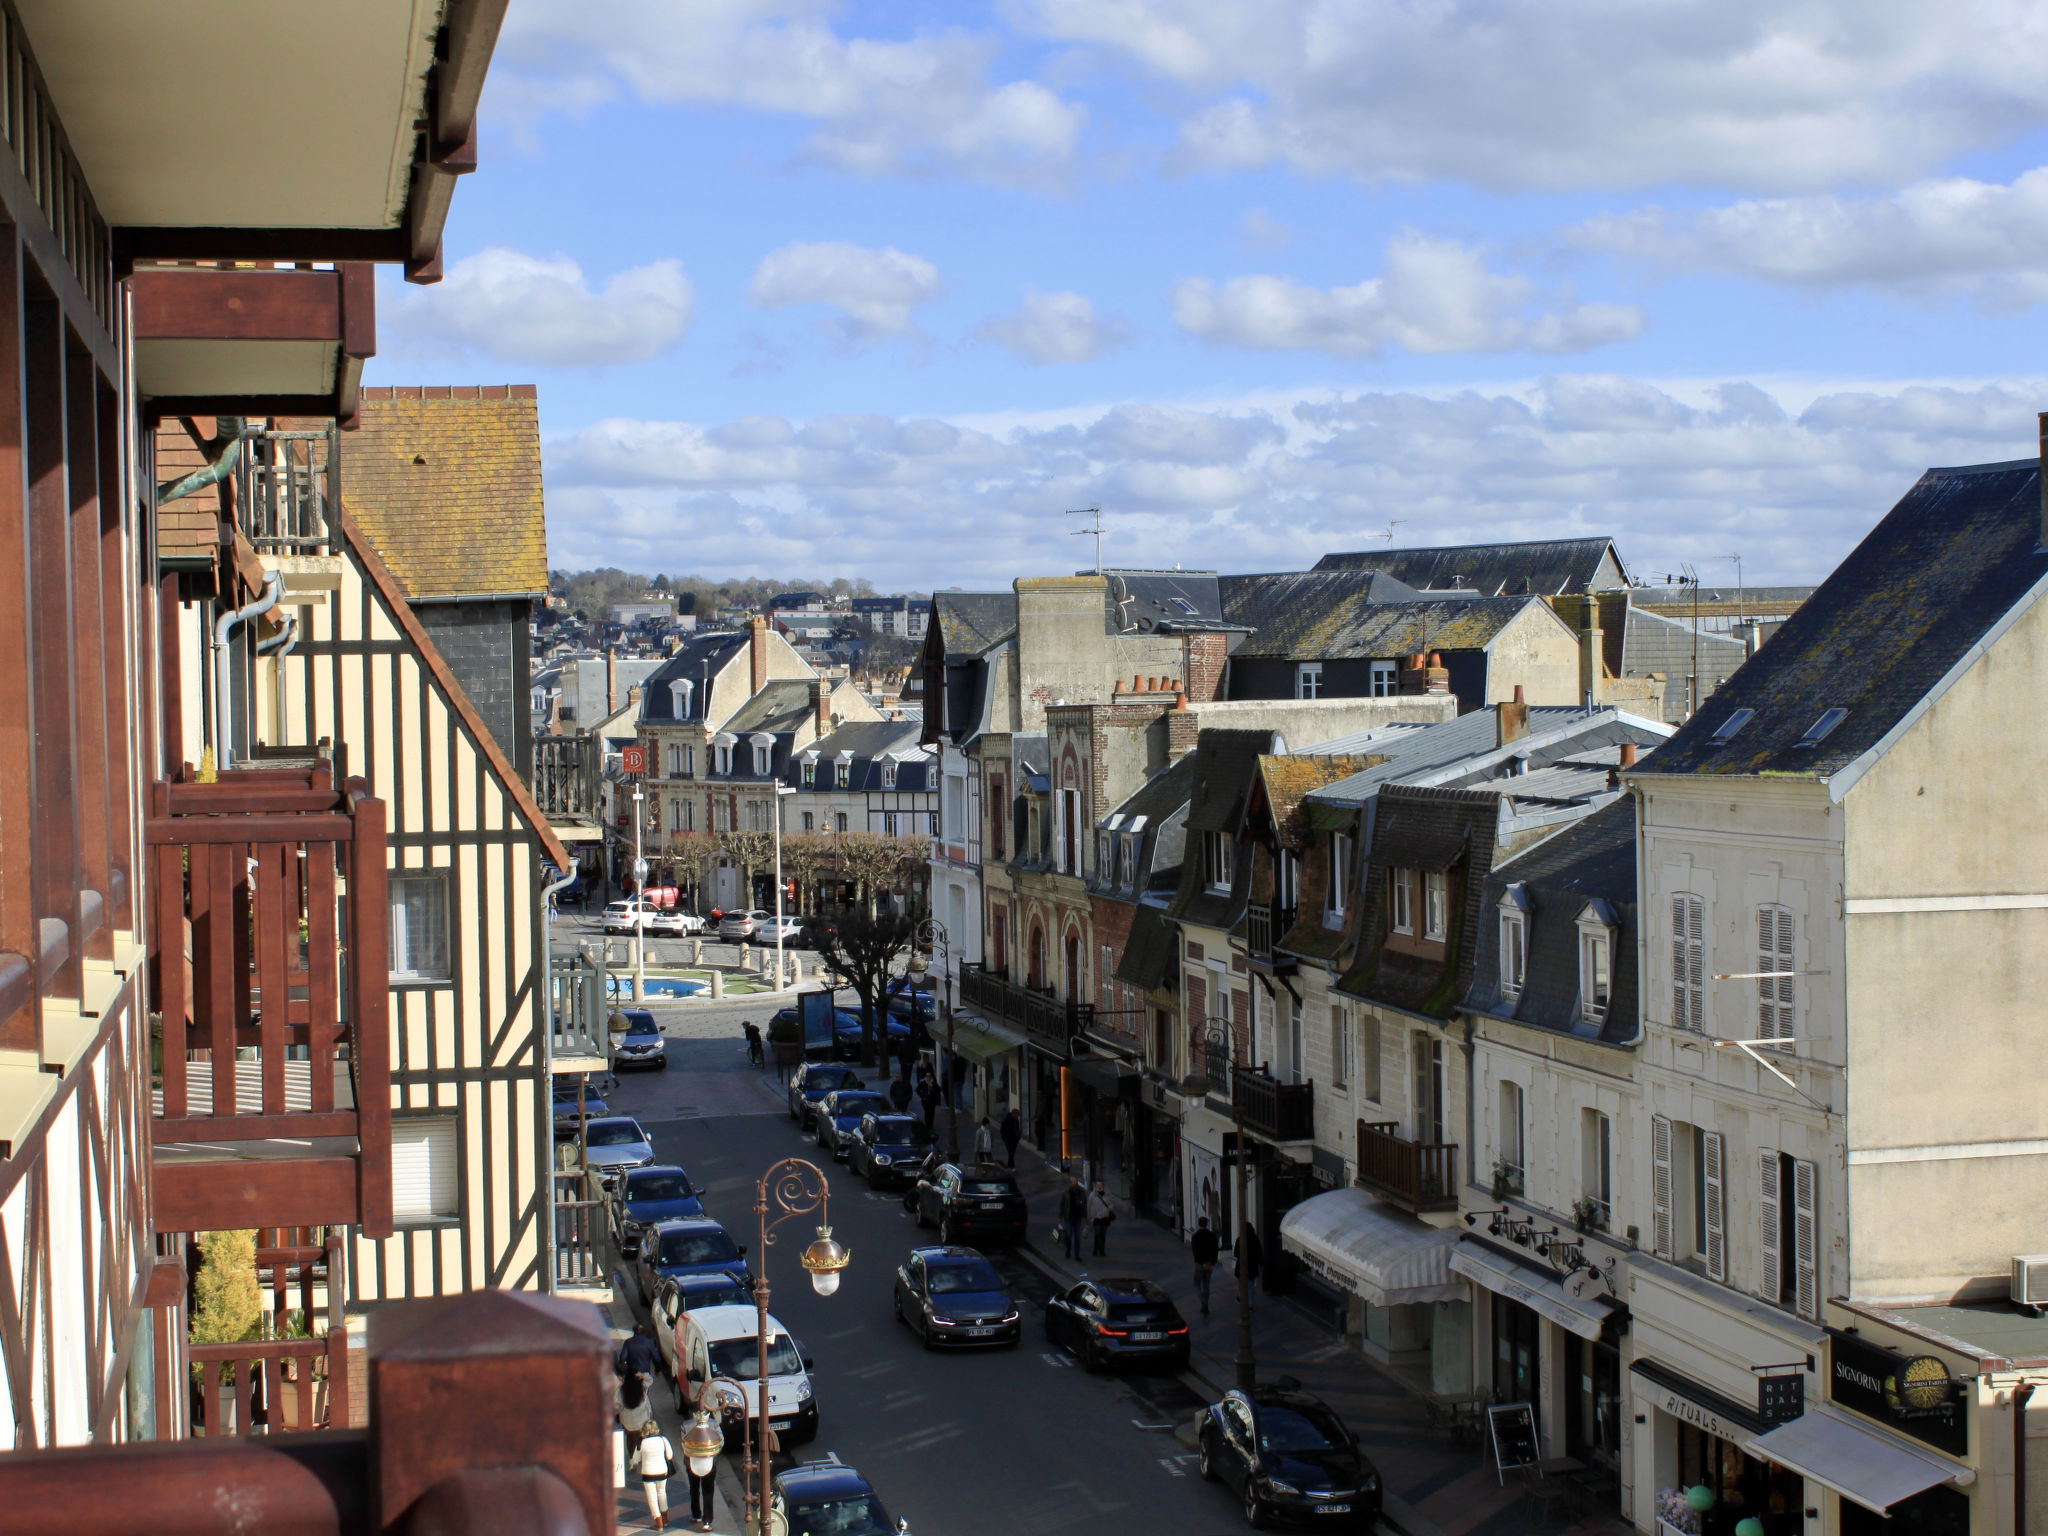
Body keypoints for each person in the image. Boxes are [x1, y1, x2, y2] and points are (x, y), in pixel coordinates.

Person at [638, 1421, 676, 1531]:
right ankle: (665, 1519)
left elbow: (636, 1459)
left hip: (648, 1472)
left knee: (652, 1497)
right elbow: (669, 1455)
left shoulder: (641, 1442)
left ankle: (658, 1522)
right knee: (662, 1493)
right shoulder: (663, 1440)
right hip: (662, 1471)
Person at [616, 1323, 661, 1390]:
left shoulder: (628, 1342)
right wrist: (657, 1370)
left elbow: (622, 1358)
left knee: (631, 1392)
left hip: (631, 1372)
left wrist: (622, 1372)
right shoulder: (650, 1342)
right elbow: (657, 1359)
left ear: (634, 1331)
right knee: (644, 1392)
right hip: (644, 1372)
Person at [1190, 1216, 1220, 1316]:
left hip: (1199, 1264)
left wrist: (1199, 1262)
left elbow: (1195, 1251)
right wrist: (1213, 1262)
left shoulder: (1195, 1236)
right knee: (1206, 1284)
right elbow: (1215, 1250)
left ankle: (1203, 1302)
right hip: (1209, 1263)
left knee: (1196, 1284)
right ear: (1207, 1224)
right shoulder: (1212, 1236)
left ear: (1199, 1224)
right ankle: (1205, 1303)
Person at [615, 1370, 654, 1439]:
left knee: (630, 1438)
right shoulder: (642, 1388)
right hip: (642, 1422)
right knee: (642, 1438)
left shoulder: (621, 1390)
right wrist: (643, 1375)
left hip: (627, 1423)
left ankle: (631, 1449)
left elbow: (616, 1405)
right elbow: (650, 1380)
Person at [1060, 1177, 1087, 1262]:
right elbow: (1062, 1204)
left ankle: (1077, 1255)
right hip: (1068, 1217)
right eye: (1073, 1182)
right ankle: (1068, 1249)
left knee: (1077, 1237)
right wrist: (1060, 1216)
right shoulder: (1066, 1193)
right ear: (1070, 1183)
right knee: (1068, 1235)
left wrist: (1085, 1216)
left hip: (1077, 1218)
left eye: (1075, 1182)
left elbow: (1084, 1204)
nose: (1074, 1183)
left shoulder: (1081, 1192)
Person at [1238, 1222, 1263, 1307]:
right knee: (1251, 1284)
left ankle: (1243, 1298)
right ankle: (1251, 1303)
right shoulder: (1255, 1239)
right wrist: (1260, 1262)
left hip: (1242, 1265)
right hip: (1252, 1265)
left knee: (1242, 1283)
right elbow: (1259, 1251)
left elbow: (1235, 1252)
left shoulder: (1240, 1239)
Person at [1086, 1180, 1114, 1257]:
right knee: (1097, 1234)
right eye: (1098, 1185)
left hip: (1105, 1217)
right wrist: (1089, 1217)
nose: (1099, 1186)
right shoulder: (1092, 1195)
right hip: (1096, 1217)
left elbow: (1111, 1203)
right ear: (1096, 1185)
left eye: (1100, 1185)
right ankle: (1095, 1249)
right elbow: (1089, 1206)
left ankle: (1102, 1249)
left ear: (1103, 1185)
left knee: (1103, 1234)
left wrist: (1109, 1209)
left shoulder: (1107, 1194)